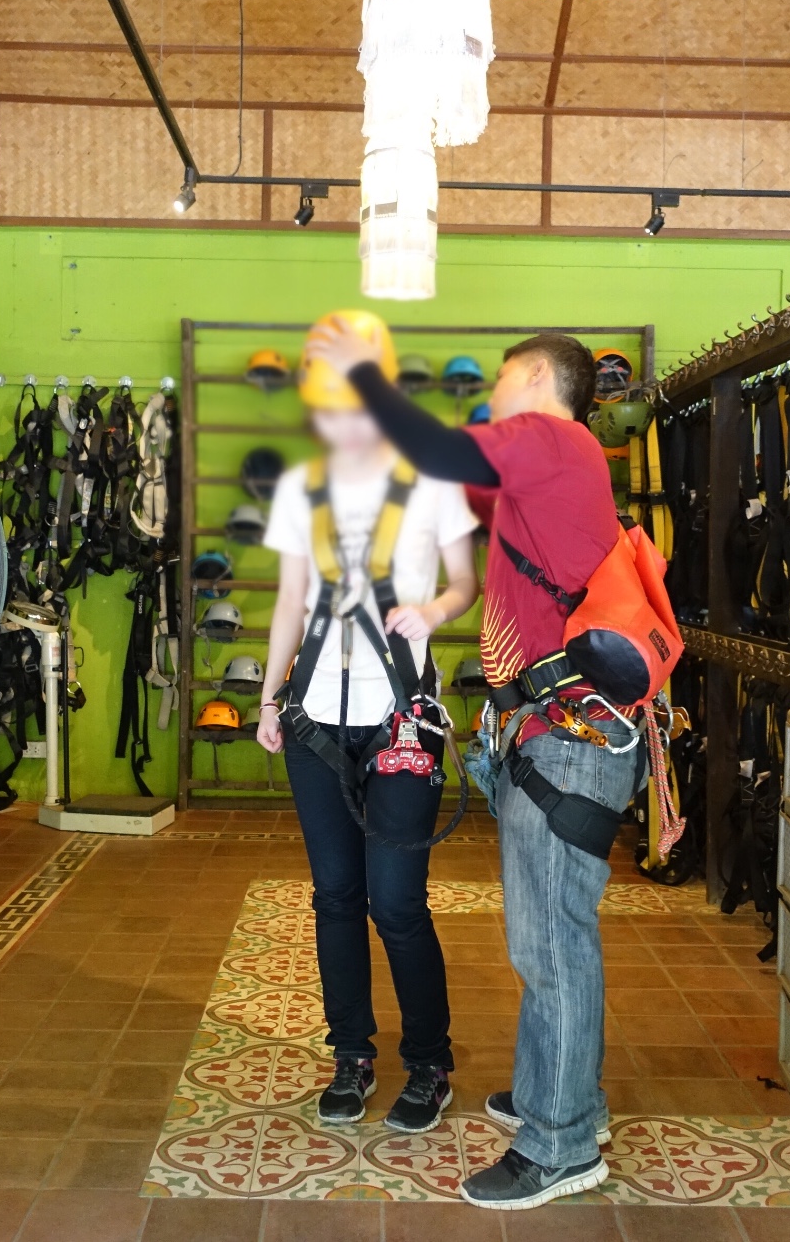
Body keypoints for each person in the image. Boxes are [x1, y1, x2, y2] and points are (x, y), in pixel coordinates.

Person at [304, 325, 629, 1211]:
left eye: (499, 379)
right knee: (552, 935)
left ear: (535, 376)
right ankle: (566, 1094)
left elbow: (445, 450)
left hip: (568, 739)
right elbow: (447, 478)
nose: (490, 394)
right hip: (554, 731)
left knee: (551, 944)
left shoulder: (551, 437)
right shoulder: (546, 469)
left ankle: (560, 1145)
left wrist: (362, 377)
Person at [254, 311, 480, 1133]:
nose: (343, 425)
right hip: (315, 718)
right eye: (329, 410)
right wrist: (269, 697)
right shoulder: (301, 487)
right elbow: (290, 599)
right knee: (336, 896)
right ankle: (351, 1052)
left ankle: (429, 1060)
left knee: (397, 900)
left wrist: (434, 610)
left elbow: (465, 582)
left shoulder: (431, 479)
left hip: (401, 720)